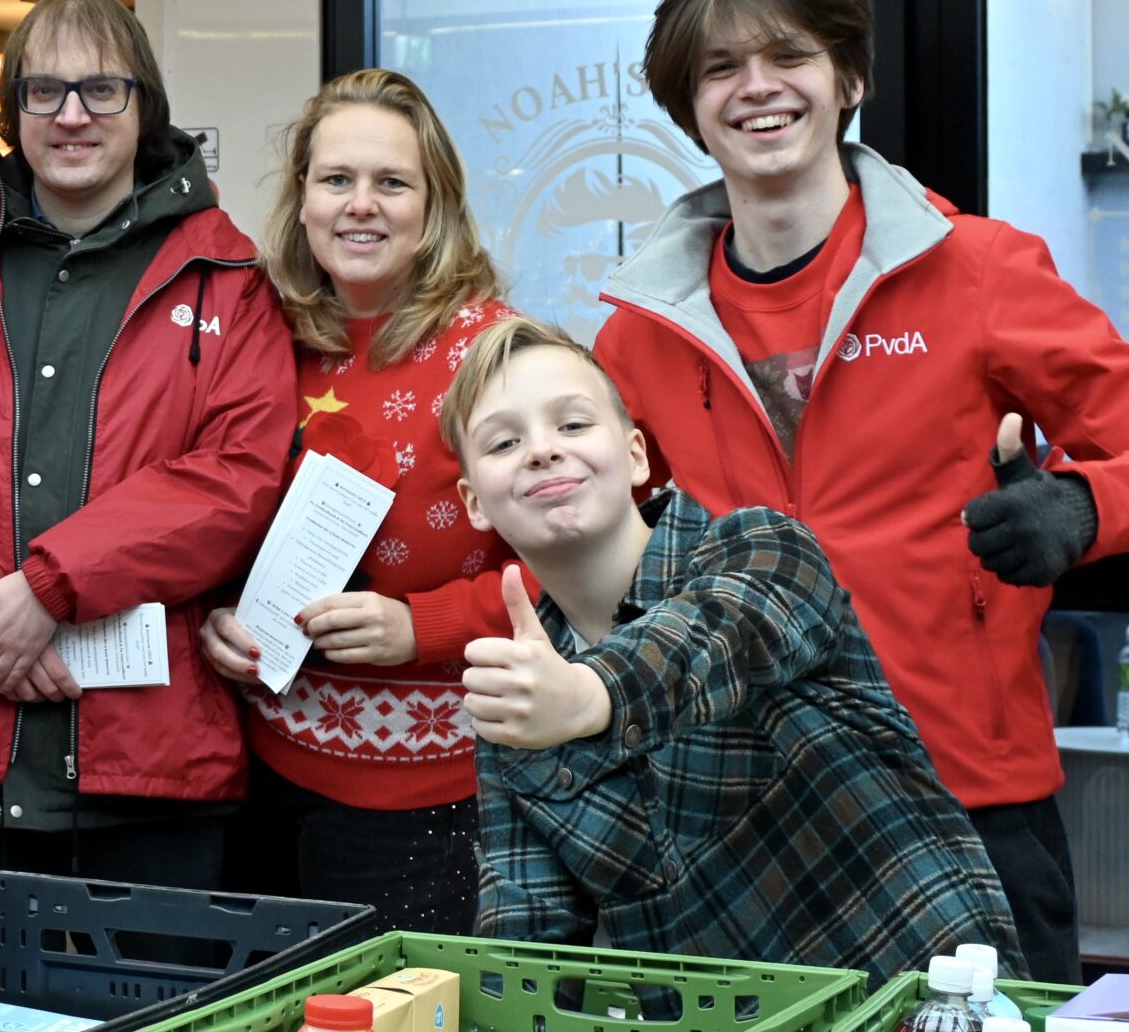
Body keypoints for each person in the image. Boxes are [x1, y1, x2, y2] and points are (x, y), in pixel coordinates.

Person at [596, 0, 1129, 982]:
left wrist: (1078, 509)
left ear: (847, 77)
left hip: (965, 799)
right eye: (720, 68)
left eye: (788, 56)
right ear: (689, 105)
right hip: (738, 814)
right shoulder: (640, 330)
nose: (756, 88)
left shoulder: (978, 271)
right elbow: (598, 552)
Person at [0, 0, 296, 888]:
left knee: (146, 1025)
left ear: (145, 106)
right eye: (44, 91)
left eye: (101, 90)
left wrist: (49, 587)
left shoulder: (224, 272)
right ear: (14, 110)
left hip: (151, 760)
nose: (72, 114)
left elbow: (237, 479)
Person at [437, 316, 1026, 984]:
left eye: (572, 425)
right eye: (505, 441)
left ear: (635, 455)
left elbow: (715, 632)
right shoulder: (517, 696)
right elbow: (526, 953)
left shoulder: (763, 546)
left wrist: (590, 695)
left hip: (919, 1016)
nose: (542, 450)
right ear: (473, 502)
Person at [198, 68, 516, 934]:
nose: (360, 205)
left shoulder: (494, 356)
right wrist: (217, 614)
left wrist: (426, 626)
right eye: (337, 179)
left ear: (435, 203)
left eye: (391, 182)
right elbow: (210, 513)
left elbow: (575, 572)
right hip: (257, 777)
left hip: (427, 800)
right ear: (302, 197)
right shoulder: (262, 337)